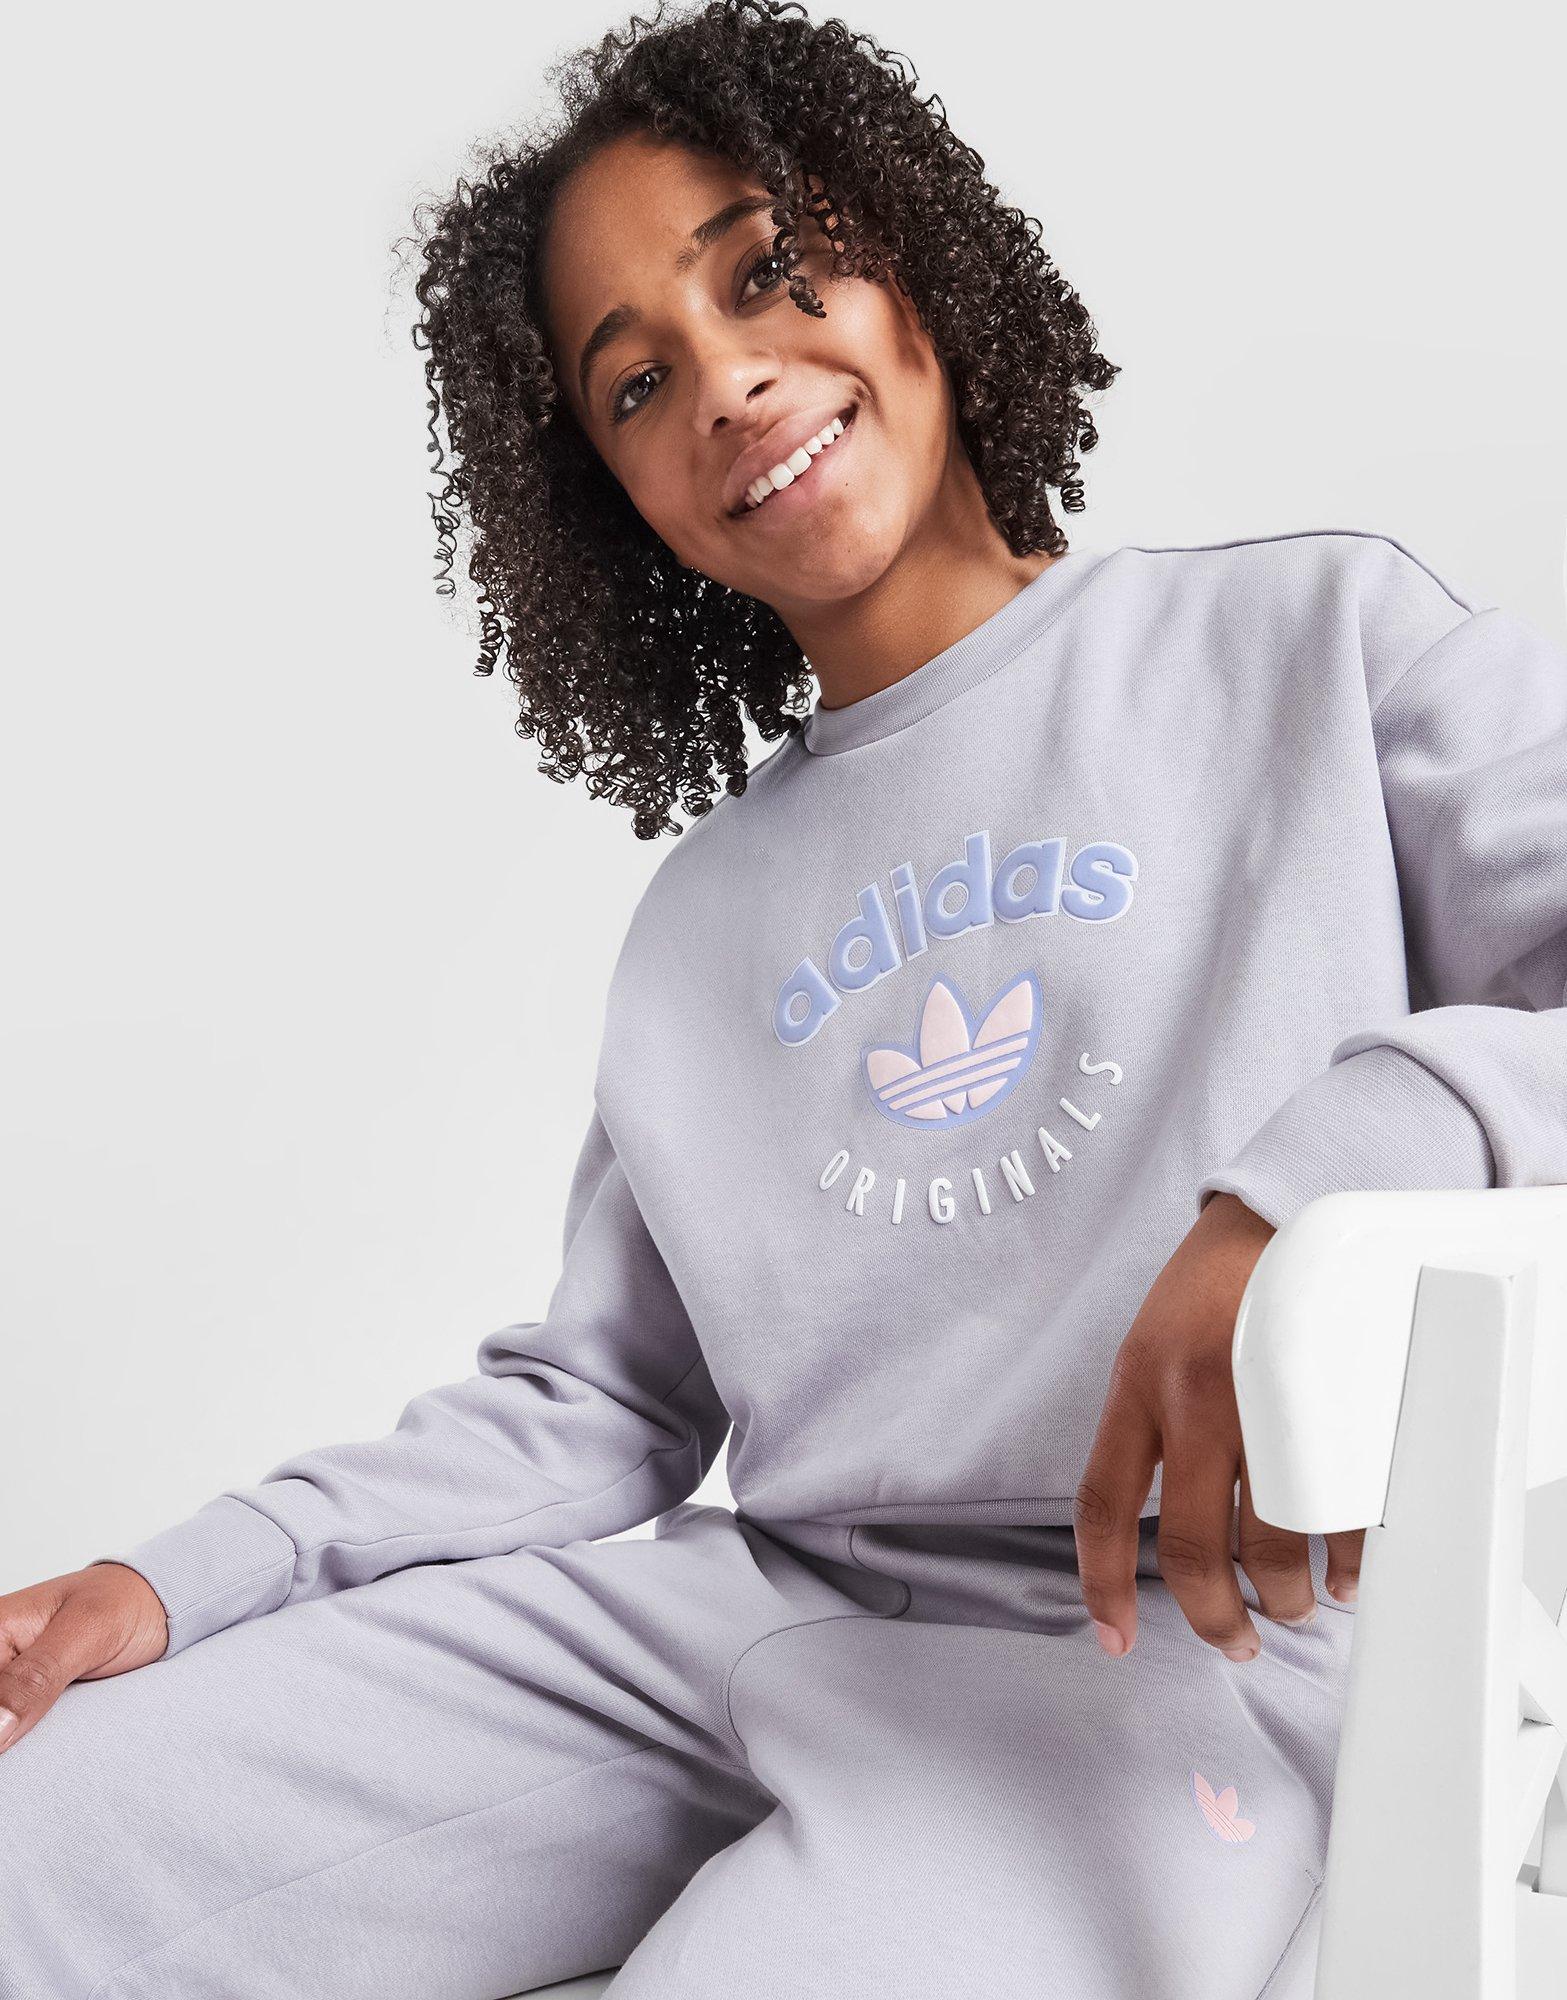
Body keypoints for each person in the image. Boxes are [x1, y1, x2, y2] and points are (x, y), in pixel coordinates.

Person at [3, 2, 1564, 1995]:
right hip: (754, 1610)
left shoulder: (1313, 644)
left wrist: (1315, 1184)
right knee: (42, 1836)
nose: (729, 382)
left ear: (906, 247)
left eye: (763, 272)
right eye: (637, 380)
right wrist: (173, 1579)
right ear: (615, 496)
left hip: (1186, 1647)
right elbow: (594, 1407)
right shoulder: (701, 918)